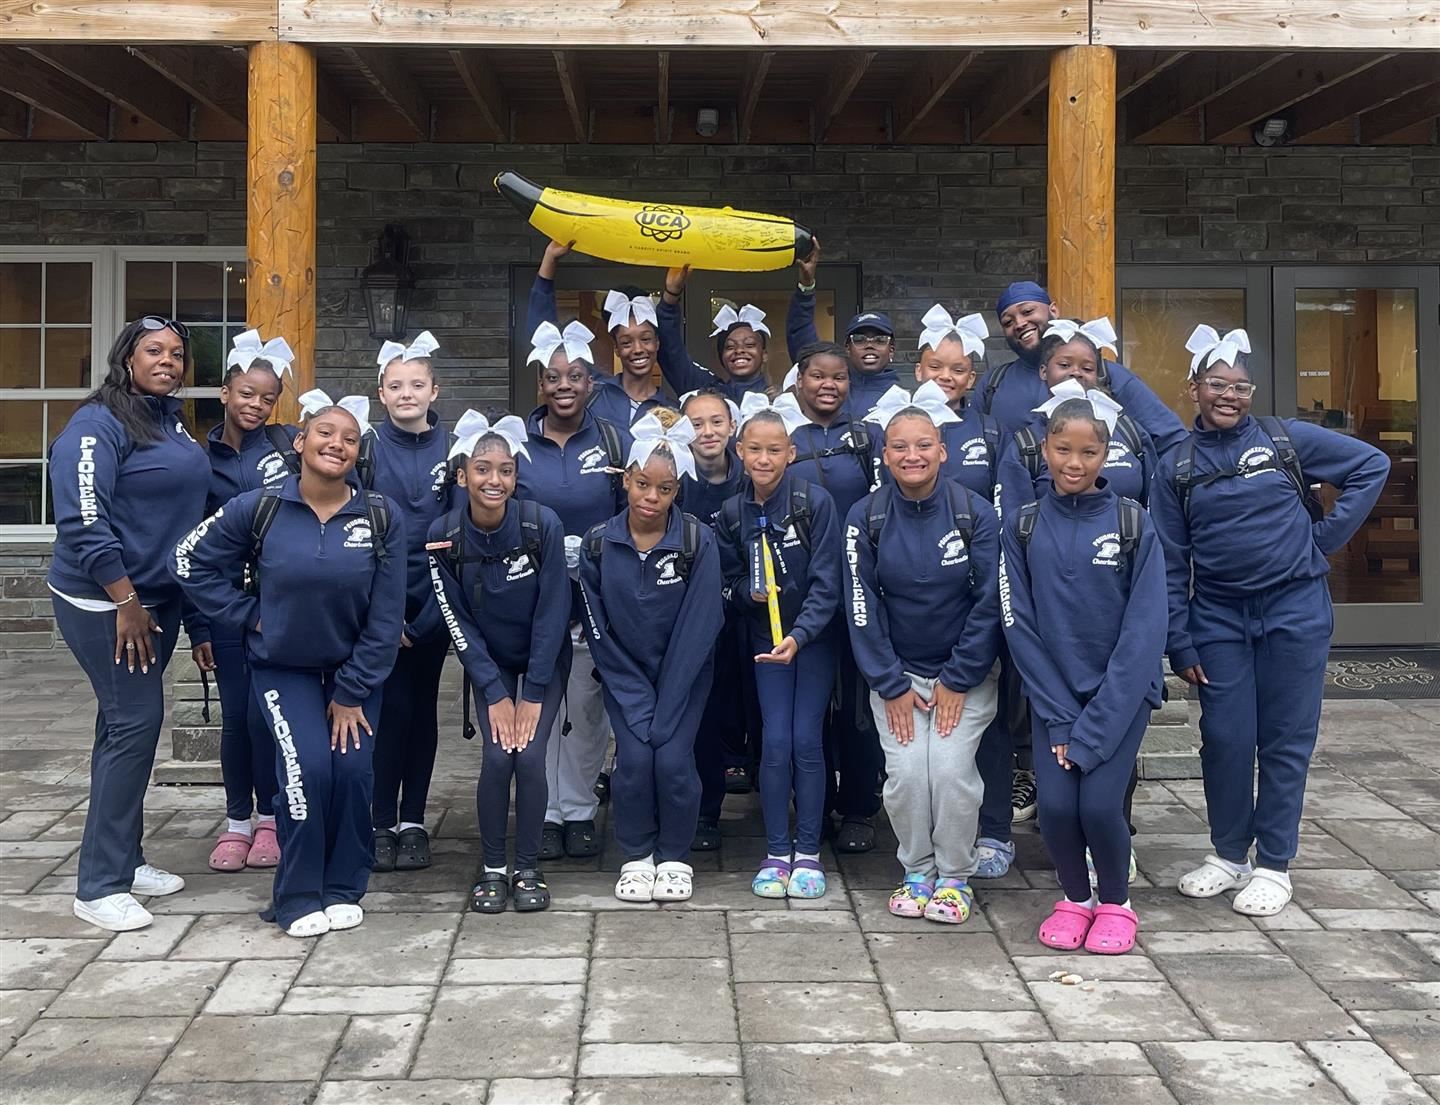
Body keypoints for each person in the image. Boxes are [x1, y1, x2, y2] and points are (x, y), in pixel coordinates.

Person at [1155, 326, 1389, 917]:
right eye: (1217, 384)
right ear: (1193, 389)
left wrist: (1323, 541)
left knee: (1286, 742)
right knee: (1226, 739)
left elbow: (1372, 465)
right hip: (1218, 618)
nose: (1229, 395)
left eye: (1240, 386)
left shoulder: (1289, 440)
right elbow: (1169, 561)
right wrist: (1179, 639)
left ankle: (1274, 865)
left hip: (1296, 610)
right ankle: (1229, 854)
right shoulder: (1175, 466)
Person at [172, 392, 406, 937]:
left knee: (351, 773)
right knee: (306, 773)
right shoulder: (260, 507)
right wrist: (249, 616)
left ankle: (345, 886)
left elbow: (386, 612)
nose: (337, 444)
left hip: (354, 674)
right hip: (284, 670)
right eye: (325, 433)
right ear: (300, 443)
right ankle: (298, 894)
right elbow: (187, 561)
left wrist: (350, 692)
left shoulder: (379, 514)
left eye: (350, 439)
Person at [50, 317, 210, 932]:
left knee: (121, 725)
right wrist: (125, 601)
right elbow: (84, 522)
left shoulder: (166, 420)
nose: (168, 361)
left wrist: (190, 618)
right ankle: (99, 885)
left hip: (156, 601)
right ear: (127, 358)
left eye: (176, 353)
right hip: (107, 603)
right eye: (153, 351)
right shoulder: (97, 424)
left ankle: (125, 857)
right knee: (134, 726)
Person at [999, 389, 1167, 955]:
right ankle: (1075, 898)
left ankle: (1116, 903)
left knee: (1098, 805)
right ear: (1044, 449)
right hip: (1054, 702)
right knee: (1054, 808)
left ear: (1106, 454)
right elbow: (1018, 622)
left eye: (1089, 452)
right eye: (1063, 449)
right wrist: (1063, 720)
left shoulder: (1133, 522)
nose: (1075, 463)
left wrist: (1094, 727)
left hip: (1118, 700)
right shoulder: (1021, 526)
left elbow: (1143, 634)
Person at [845, 389, 1001, 924]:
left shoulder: (974, 514)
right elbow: (860, 603)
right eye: (899, 447)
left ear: (943, 451)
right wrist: (889, 683)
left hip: (964, 676)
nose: (912, 455)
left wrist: (959, 678)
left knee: (952, 771)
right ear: (884, 456)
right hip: (898, 677)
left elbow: (989, 604)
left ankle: (955, 876)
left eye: (923, 445)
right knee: (909, 774)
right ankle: (917, 870)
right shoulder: (863, 517)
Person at [418, 415, 572, 914]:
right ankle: (492, 869)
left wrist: (532, 695)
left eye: (504, 471)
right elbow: (457, 623)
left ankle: (527, 865)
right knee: (495, 756)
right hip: (490, 663)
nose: (494, 481)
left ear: (515, 476)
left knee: (528, 755)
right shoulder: (442, 536)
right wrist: (495, 691)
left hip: (543, 660)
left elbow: (554, 611)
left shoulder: (539, 524)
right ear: (462, 475)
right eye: (482, 470)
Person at [579, 413, 723, 903]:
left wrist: (667, 701)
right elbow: (598, 629)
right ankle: (637, 854)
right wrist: (638, 698)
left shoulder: (696, 541)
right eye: (642, 484)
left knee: (674, 761)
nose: (650, 498)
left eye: (663, 489)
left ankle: (675, 855)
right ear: (626, 481)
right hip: (626, 679)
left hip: (684, 680)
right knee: (635, 762)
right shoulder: (599, 544)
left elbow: (701, 625)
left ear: (676, 491)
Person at [516, 320, 634, 861]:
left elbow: (634, 514)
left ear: (592, 384)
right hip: (533, 599)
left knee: (586, 707)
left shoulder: (613, 438)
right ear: (540, 384)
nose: (565, 385)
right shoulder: (516, 442)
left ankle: (580, 809)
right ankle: (542, 810)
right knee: (537, 703)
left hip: (595, 594)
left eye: (577, 376)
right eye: (554, 377)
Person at [716, 394, 841, 898]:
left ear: (791, 453)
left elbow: (829, 582)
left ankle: (808, 851)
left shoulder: (816, 504)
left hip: (811, 642)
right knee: (774, 741)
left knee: (807, 740)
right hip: (765, 643)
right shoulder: (730, 512)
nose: (764, 460)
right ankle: (775, 849)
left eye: (774, 450)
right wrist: (745, 593)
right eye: (754, 450)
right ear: (739, 452)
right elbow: (723, 582)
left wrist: (801, 634)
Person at [199, 330, 297, 874]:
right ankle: (238, 821)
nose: (256, 405)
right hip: (224, 610)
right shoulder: (198, 460)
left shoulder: (287, 448)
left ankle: (271, 818)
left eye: (266, 397)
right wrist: (201, 628)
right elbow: (192, 549)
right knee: (237, 717)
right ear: (224, 392)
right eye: (246, 394)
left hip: (280, 605)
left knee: (271, 716)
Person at [785, 341, 883, 854]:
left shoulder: (867, 437)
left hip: (860, 590)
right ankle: (814, 805)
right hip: (799, 594)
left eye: (839, 377)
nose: (829, 385)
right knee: (809, 706)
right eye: (818, 376)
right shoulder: (782, 436)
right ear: (798, 381)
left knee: (859, 706)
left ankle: (861, 805)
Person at [367, 331, 460, 873]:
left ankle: (414, 819)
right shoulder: (369, 448)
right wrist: (386, 613)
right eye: (396, 385)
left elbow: (461, 533)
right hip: (381, 599)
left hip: (435, 600)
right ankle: (379, 819)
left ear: (434, 390)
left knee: (422, 710)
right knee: (385, 711)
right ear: (382, 393)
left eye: (417, 385)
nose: (407, 394)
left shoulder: (453, 449)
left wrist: (432, 614)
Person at [676, 389, 756, 848]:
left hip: (747, 614)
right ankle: (705, 810)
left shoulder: (751, 478)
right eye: (696, 424)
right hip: (691, 619)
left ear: (732, 428)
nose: (706, 432)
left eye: (715, 422)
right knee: (701, 716)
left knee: (752, 713)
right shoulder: (675, 482)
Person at [982, 281, 1187, 454]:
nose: (1019, 323)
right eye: (1008, 322)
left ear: (1053, 311)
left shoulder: (1107, 375)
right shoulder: (993, 384)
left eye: (1027, 311)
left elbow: (1172, 440)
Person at [996, 319, 1159, 523]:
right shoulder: (1025, 446)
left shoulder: (1129, 431)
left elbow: (1154, 508)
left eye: (1087, 368)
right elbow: (1013, 527)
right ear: (1044, 371)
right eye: (1064, 365)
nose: (1076, 372)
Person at [527, 240, 675, 424]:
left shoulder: (671, 413)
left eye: (645, 339)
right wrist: (550, 259)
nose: (638, 349)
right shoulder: (592, 392)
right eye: (626, 342)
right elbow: (545, 337)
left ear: (657, 343)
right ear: (616, 349)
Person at [869, 306, 1000, 500]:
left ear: (971, 378)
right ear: (919, 371)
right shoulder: (888, 426)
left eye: (958, 370)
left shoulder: (990, 432)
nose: (945, 376)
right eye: (935, 367)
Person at [787, 240, 901, 416]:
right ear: (847, 348)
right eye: (859, 339)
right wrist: (806, 288)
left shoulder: (903, 400)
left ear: (891, 351)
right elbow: (801, 334)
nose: (869, 345)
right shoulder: (832, 391)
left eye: (879, 340)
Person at [656, 266, 772, 403]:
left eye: (749, 344)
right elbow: (671, 354)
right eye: (729, 347)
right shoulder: (709, 392)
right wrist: (671, 296)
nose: (739, 350)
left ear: (764, 354)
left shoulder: (782, 401)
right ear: (722, 357)